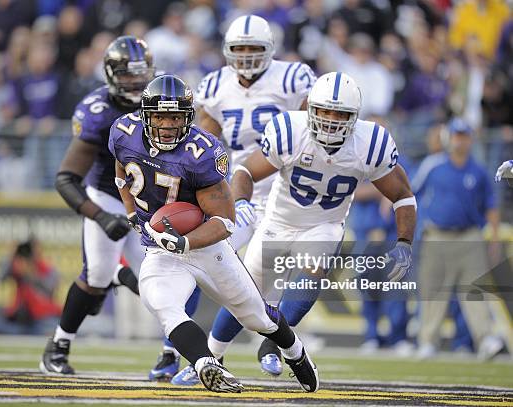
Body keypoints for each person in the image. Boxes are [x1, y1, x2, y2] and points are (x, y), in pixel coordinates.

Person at [109, 74, 319, 393]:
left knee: (256, 318)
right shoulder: (124, 133)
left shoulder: (201, 151)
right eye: (160, 115)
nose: (167, 124)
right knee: (161, 304)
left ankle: (296, 354)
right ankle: (205, 363)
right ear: (145, 115)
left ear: (188, 117)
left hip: (207, 247)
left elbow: (225, 221)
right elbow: (122, 171)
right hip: (161, 249)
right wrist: (130, 211)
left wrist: (185, 241)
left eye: (175, 116)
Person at [212, 72, 417, 372]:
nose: (332, 119)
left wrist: (404, 243)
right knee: (247, 292)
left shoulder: (370, 142)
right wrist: (241, 202)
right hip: (278, 220)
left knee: (313, 268)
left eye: (340, 113)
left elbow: (403, 196)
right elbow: (245, 171)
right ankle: (210, 356)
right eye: (324, 110)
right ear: (310, 108)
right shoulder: (290, 130)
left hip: (325, 222)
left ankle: (273, 343)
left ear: (354, 117)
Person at [184, 14, 316, 382]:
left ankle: (272, 343)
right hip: (239, 194)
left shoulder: (293, 77)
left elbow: (315, 127)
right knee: (209, 260)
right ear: (227, 51)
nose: (244, 56)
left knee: (303, 270)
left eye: (252, 48)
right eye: (238, 49)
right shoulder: (214, 84)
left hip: (288, 191)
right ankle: (185, 353)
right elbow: (201, 144)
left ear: (269, 50)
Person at [39, 36, 154, 375]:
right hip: (109, 196)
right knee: (96, 278)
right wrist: (102, 217)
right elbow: (66, 179)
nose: (135, 82)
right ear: (109, 74)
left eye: (140, 74)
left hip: (152, 202)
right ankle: (58, 345)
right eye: (127, 75)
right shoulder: (98, 112)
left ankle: (173, 356)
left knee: (161, 282)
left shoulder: (161, 100)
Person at [413, 117, 505, 360]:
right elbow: (411, 192)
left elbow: (491, 206)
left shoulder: (479, 171)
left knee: (475, 290)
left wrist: (494, 238)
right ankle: (428, 340)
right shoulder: (433, 165)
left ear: (470, 139)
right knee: (433, 291)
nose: (460, 141)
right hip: (437, 235)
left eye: (464, 136)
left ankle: (485, 339)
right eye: (456, 136)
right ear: (449, 138)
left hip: (469, 236)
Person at [0, 238, 61, 335]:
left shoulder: (46, 268)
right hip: (21, 316)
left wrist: (31, 274)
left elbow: (49, 289)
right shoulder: (16, 266)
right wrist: (12, 256)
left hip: (43, 317)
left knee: (53, 328)